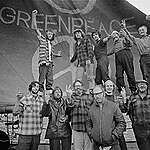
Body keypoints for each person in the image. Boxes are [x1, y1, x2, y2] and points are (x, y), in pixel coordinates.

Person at [86, 85, 126, 150]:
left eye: (99, 93)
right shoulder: (91, 109)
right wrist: (92, 134)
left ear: (103, 93)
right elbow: (88, 123)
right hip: (97, 146)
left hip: (113, 145)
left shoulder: (113, 106)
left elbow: (121, 123)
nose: (97, 96)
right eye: (95, 94)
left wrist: (114, 136)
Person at [32, 10, 61, 95]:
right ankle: (40, 92)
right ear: (46, 34)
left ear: (52, 36)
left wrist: (57, 55)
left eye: (51, 34)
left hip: (50, 64)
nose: (49, 35)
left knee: (50, 79)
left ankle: (49, 93)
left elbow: (50, 55)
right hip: (44, 63)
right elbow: (35, 28)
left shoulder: (51, 44)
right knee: (41, 79)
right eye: (48, 33)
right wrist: (34, 16)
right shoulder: (42, 40)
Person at [13, 81, 45, 150]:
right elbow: (15, 112)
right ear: (31, 87)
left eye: (37, 86)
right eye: (34, 86)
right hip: (25, 134)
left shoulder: (42, 101)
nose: (36, 88)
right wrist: (18, 100)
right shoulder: (24, 99)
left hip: (36, 134)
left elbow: (44, 114)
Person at [121, 18, 150, 90]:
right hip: (143, 58)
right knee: (145, 75)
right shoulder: (138, 41)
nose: (141, 31)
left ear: (146, 31)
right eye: (139, 31)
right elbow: (130, 36)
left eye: (143, 30)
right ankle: (148, 91)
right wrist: (125, 28)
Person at [65, 80, 94, 150]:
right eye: (76, 86)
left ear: (82, 87)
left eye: (79, 86)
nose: (78, 88)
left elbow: (94, 109)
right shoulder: (71, 97)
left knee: (89, 148)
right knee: (78, 148)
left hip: (88, 128)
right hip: (77, 128)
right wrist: (68, 96)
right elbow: (69, 108)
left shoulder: (89, 96)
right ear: (74, 88)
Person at [107, 29, 136, 94]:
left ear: (118, 35)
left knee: (129, 73)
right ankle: (122, 90)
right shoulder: (114, 46)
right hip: (118, 59)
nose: (114, 36)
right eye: (113, 36)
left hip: (126, 55)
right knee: (118, 75)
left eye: (115, 34)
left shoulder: (123, 39)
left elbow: (130, 43)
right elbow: (109, 52)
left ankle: (133, 90)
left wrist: (125, 35)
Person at [104, 80, 127, 150]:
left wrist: (124, 98)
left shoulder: (117, 98)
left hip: (117, 125)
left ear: (113, 87)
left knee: (122, 143)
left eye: (111, 86)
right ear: (105, 87)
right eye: (107, 86)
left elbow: (124, 110)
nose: (109, 87)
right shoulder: (102, 99)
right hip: (107, 125)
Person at [127, 80, 150, 150]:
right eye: (140, 84)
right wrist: (123, 99)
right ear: (137, 86)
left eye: (144, 84)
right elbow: (126, 110)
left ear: (147, 86)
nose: (142, 86)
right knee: (144, 148)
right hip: (139, 128)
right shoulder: (132, 97)